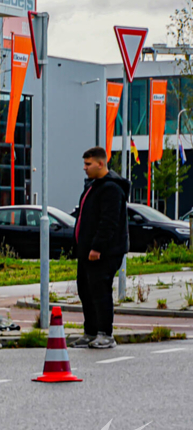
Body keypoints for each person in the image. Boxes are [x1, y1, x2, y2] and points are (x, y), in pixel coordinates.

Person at [72, 146, 130, 349]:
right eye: (84, 164)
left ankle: (105, 333)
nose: (85, 168)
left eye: (88, 164)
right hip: (86, 252)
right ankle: (91, 331)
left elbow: (109, 222)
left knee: (99, 289)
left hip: (104, 253)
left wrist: (97, 247)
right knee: (85, 289)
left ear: (101, 163)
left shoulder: (111, 189)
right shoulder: (93, 186)